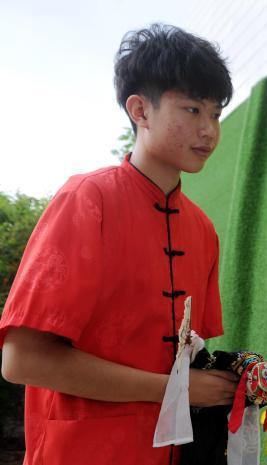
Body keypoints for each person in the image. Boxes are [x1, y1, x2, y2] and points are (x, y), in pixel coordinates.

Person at [0, 24, 236, 465]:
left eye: (216, 114)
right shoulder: (86, 199)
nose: (208, 130)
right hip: (78, 453)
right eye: (192, 109)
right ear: (140, 110)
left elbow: (188, 356)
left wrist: (235, 377)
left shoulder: (203, 230)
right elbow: (22, 359)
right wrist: (175, 389)